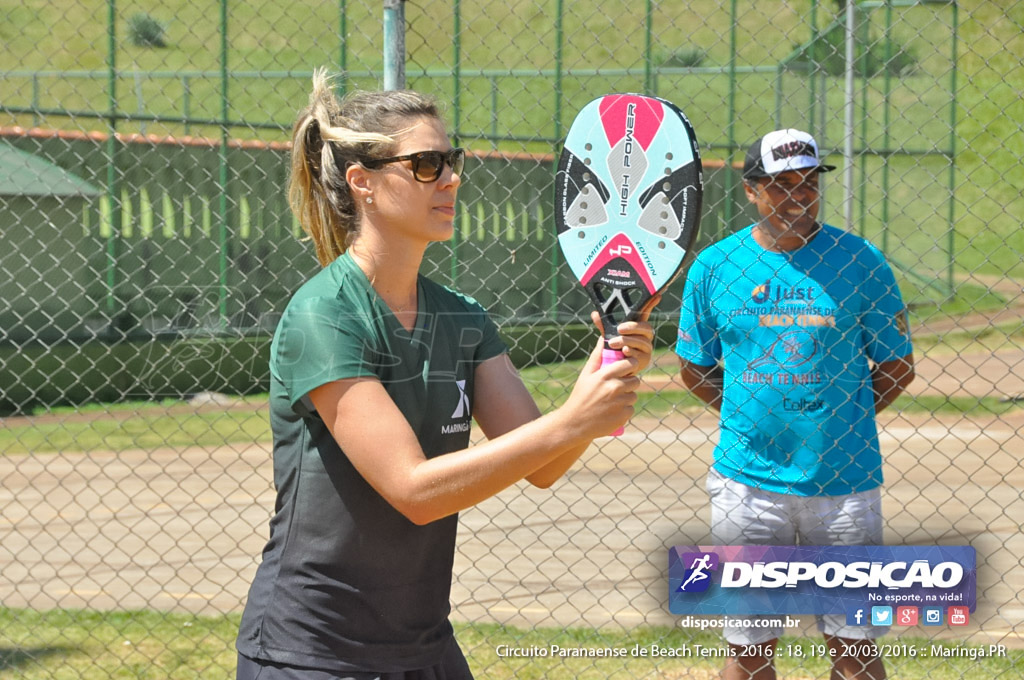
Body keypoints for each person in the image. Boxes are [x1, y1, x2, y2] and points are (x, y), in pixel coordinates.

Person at [235, 69, 658, 680]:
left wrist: (607, 365)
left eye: (451, 159)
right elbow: (414, 491)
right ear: (363, 183)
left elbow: (544, 462)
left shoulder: (462, 318)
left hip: (424, 645)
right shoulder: (323, 316)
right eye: (427, 164)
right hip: (313, 652)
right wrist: (574, 419)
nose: (452, 178)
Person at [675, 128, 915, 680]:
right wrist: (753, 421)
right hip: (748, 482)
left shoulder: (861, 261)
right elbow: (693, 367)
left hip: (844, 480)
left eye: (808, 184)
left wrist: (837, 422)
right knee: (748, 649)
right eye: (781, 185)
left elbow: (897, 365)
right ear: (751, 190)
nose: (797, 197)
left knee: (855, 648)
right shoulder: (716, 267)